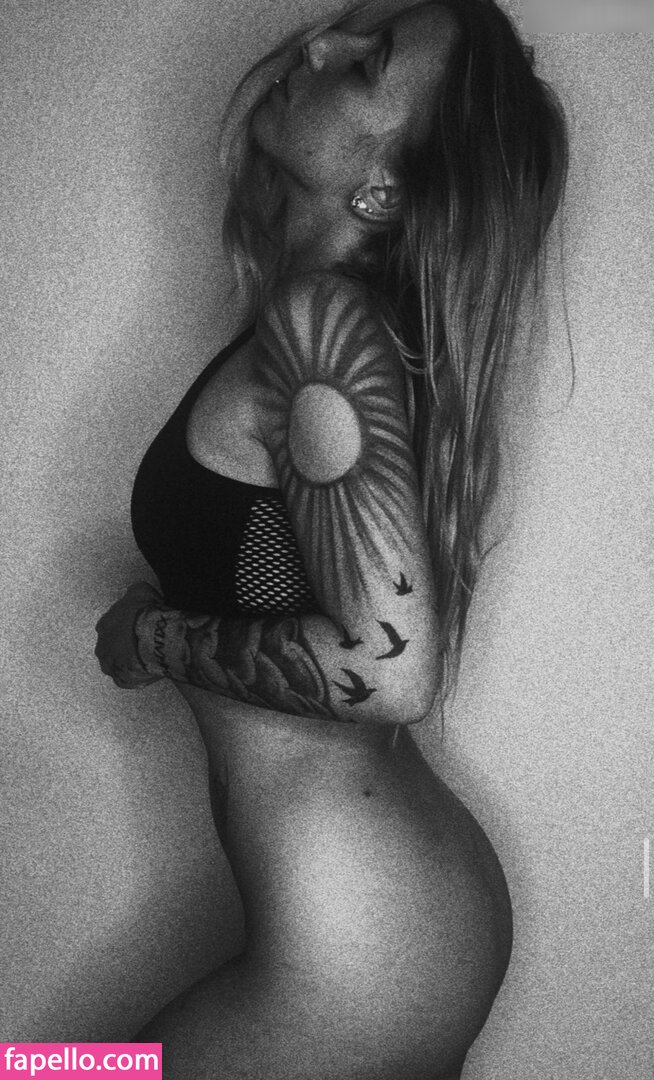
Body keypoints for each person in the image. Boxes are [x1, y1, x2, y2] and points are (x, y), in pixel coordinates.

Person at [95, 0, 567, 1075]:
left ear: (382, 190)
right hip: (390, 929)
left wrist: (153, 637)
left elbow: (389, 670)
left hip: (361, 952)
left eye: (366, 64)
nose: (319, 43)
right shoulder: (329, 324)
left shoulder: (323, 322)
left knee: (62, 1072)